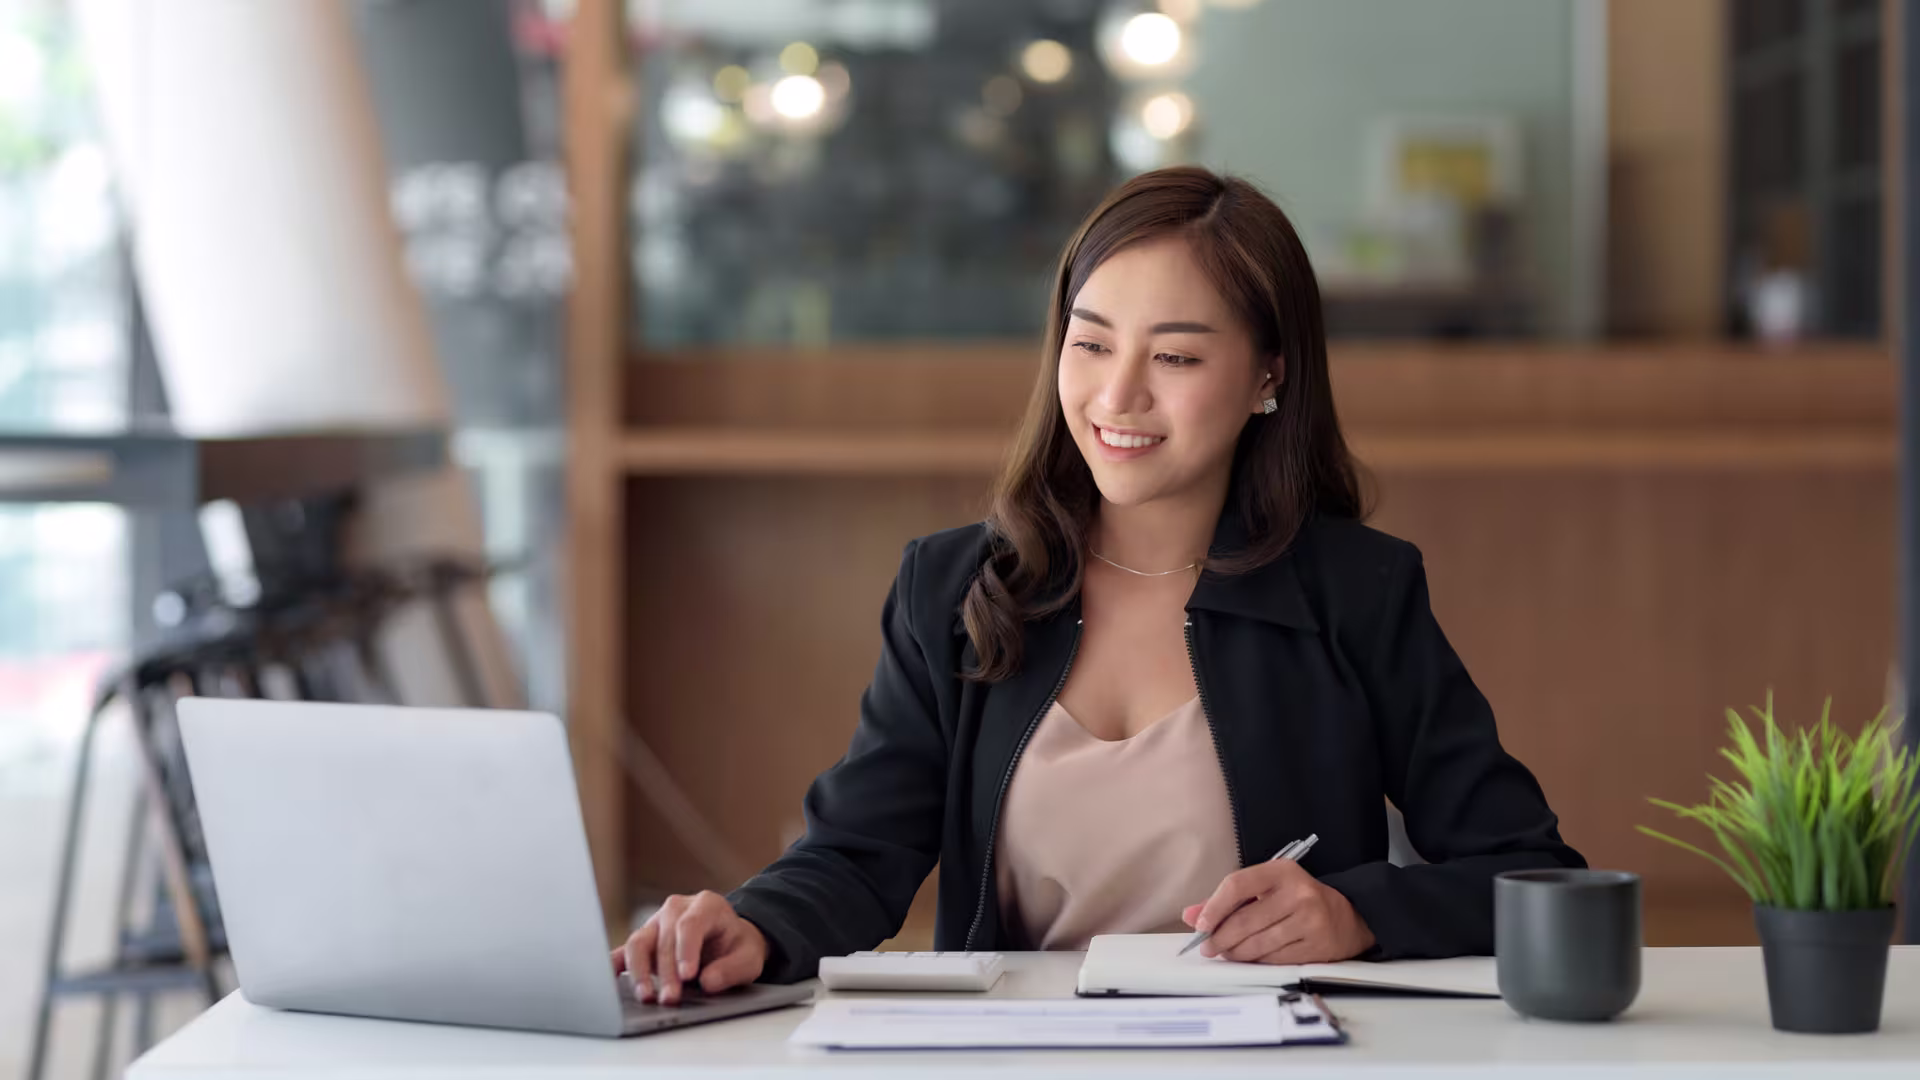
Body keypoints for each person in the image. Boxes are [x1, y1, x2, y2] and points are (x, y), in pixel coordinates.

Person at [615, 166, 1586, 1004]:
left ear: (1268, 378)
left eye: (1174, 356)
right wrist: (756, 926)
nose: (1119, 396)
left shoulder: (1358, 592)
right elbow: (856, 856)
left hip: (1269, 1053)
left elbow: (1534, 873)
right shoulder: (954, 590)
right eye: (1090, 343)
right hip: (1022, 1058)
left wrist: (1354, 913)